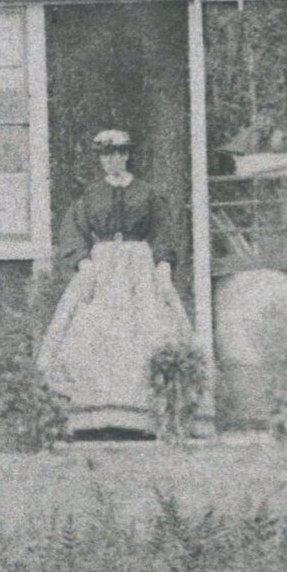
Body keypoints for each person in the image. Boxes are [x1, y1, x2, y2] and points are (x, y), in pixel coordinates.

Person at [37, 128, 195, 435]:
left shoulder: (147, 193)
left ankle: (148, 419)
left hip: (139, 268)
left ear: (127, 155)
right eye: (107, 155)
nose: (114, 160)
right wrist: (84, 262)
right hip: (102, 268)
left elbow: (163, 230)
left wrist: (163, 265)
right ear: (100, 159)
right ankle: (91, 419)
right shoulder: (91, 195)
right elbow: (73, 230)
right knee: (94, 329)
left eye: (120, 153)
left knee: (147, 329)